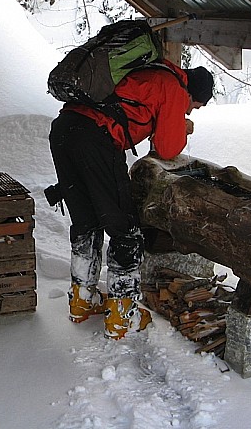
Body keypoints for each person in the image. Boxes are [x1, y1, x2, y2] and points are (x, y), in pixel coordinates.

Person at [48, 61, 214, 339]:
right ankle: (122, 316)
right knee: (126, 230)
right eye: (195, 106)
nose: (190, 110)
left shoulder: (152, 72)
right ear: (193, 93)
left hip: (64, 130)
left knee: (87, 222)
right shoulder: (174, 87)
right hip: (96, 138)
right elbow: (167, 147)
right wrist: (182, 126)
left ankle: (82, 300)